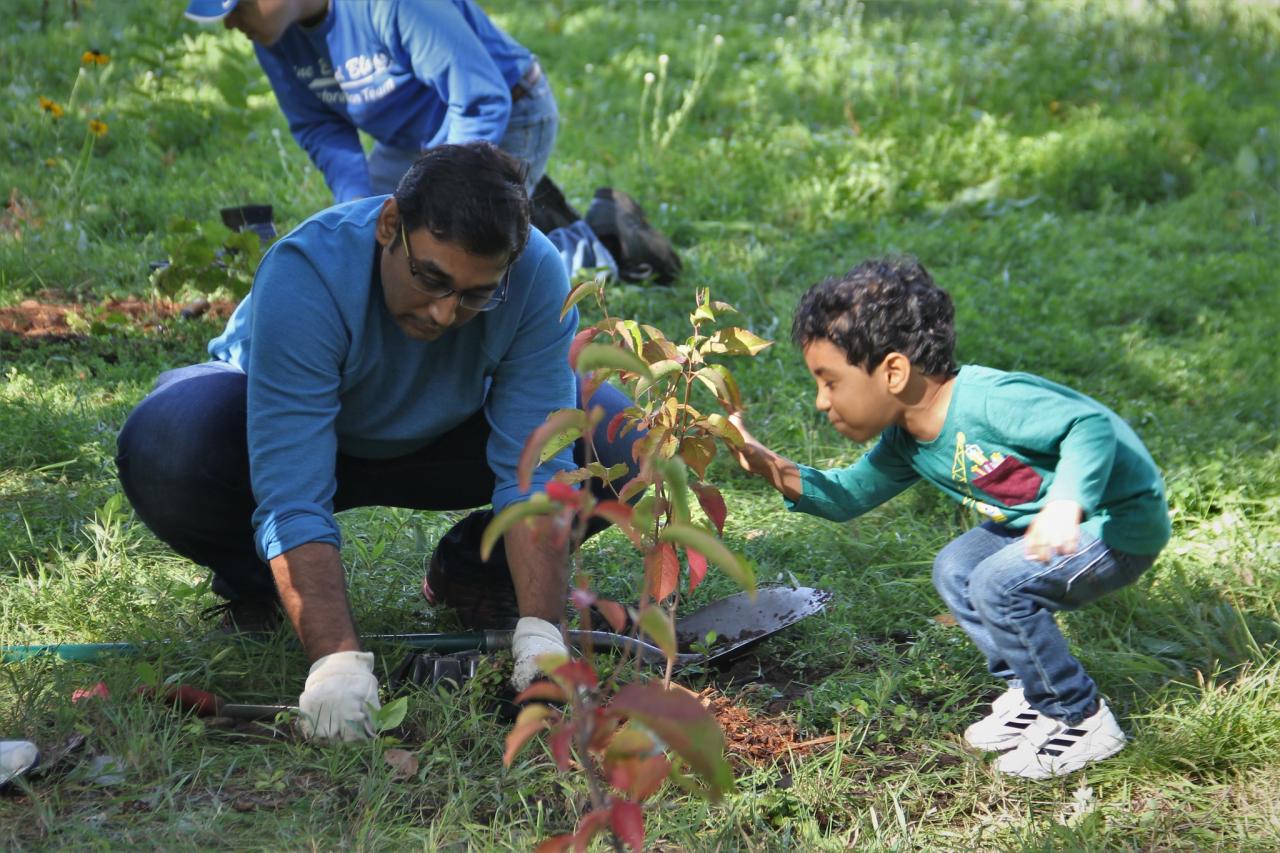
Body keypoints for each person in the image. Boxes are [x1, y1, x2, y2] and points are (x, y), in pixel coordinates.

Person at [116, 143, 641, 742]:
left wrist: (543, 634)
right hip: (261, 424)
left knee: (624, 446)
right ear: (390, 225)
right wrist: (335, 662)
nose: (445, 314)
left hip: (439, 431)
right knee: (169, 447)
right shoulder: (308, 270)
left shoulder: (535, 274)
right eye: (431, 278)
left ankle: (476, 569)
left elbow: (537, 468)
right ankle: (255, 579)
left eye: (475, 295)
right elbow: (291, 490)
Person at [728, 258, 1170, 780]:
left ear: (892, 371)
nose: (822, 402)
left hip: (1114, 520)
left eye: (830, 382)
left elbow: (1087, 424)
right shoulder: (906, 441)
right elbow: (847, 496)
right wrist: (763, 461)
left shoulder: (987, 401)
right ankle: (1028, 689)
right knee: (957, 566)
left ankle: (1079, 717)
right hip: (1038, 521)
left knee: (997, 585)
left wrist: (1065, 504)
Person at [182, 0, 680, 284]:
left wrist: (427, 195)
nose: (230, 20)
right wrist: (358, 208)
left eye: (237, 4)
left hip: (508, 110)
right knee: (375, 241)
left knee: (449, 251)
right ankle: (524, 207)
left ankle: (599, 242)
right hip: (418, 136)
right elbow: (319, 126)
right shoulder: (274, 37)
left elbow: (483, 99)